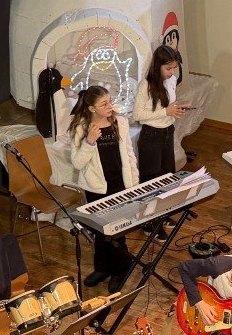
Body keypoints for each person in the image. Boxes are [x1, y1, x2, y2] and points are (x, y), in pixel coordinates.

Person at [68, 85, 140, 290]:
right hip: (96, 188)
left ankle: (121, 268)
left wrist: (134, 184)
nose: (111, 106)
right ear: (92, 109)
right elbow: (77, 163)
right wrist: (90, 142)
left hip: (120, 184)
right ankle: (103, 267)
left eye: (110, 101)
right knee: (99, 230)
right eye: (104, 104)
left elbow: (129, 154)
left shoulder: (120, 122)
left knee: (117, 229)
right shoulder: (80, 128)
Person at [133, 46, 190, 181]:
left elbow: (166, 104)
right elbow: (137, 115)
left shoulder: (172, 80)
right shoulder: (146, 85)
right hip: (151, 135)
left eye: (174, 68)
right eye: (168, 68)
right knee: (151, 180)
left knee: (168, 176)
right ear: (158, 65)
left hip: (168, 132)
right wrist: (166, 111)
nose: (172, 72)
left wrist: (178, 106)